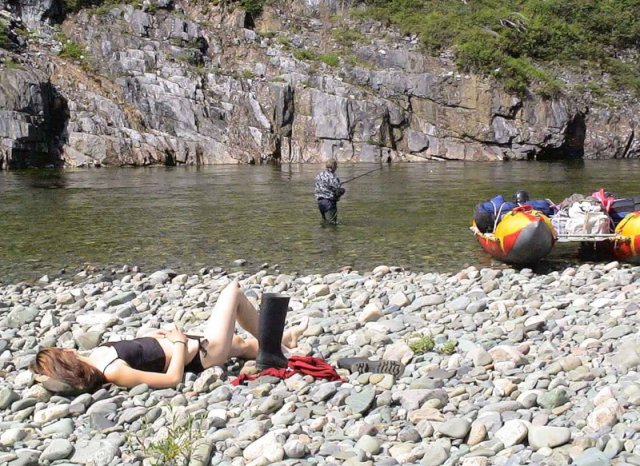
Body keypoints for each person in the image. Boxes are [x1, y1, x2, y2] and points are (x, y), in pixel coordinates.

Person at [30, 281, 308, 392]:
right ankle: (280, 344)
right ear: (64, 358)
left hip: (189, 342)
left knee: (243, 345)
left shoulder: (96, 355)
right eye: (60, 350)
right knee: (232, 292)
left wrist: (153, 336)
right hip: (202, 355)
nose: (65, 347)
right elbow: (172, 379)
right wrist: (177, 343)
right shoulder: (112, 371)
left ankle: (286, 339)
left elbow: (140, 351)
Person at [314, 159, 345, 224]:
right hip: (329, 203)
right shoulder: (333, 176)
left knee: (324, 222)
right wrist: (342, 191)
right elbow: (337, 191)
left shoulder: (319, 174)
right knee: (332, 224)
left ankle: (324, 234)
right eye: (336, 166)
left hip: (320, 203)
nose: (337, 167)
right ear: (333, 166)